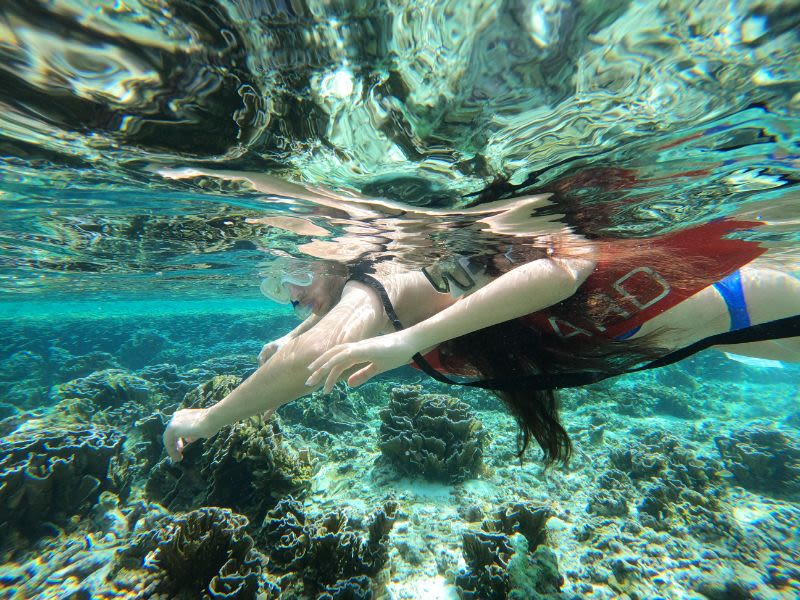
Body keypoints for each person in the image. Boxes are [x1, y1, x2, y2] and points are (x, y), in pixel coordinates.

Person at [162, 214, 800, 466]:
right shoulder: (374, 291)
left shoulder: (395, 281)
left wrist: (210, 418)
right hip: (706, 327)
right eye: (281, 293)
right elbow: (317, 332)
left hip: (738, 299)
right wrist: (294, 330)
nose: (295, 295)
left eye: (297, 280)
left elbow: (563, 270)